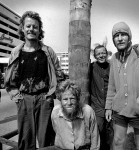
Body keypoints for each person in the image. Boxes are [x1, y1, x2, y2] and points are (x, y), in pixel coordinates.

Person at [4, 11, 65, 150]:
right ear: (23, 29)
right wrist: (16, 96)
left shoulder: (48, 52)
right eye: (28, 26)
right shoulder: (16, 52)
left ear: (39, 30)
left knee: (46, 139)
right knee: (25, 139)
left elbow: (59, 75)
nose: (31, 29)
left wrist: (51, 96)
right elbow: (9, 78)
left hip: (44, 100)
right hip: (24, 99)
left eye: (35, 27)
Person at [105, 21, 139, 150]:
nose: (119, 38)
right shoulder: (114, 58)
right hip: (120, 109)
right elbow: (112, 85)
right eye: (116, 35)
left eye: (123, 34)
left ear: (129, 36)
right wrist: (108, 106)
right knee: (118, 142)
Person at [51, 79, 100, 150]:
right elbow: (56, 130)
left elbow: (95, 138)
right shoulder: (55, 112)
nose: (69, 103)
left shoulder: (87, 111)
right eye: (65, 99)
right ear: (60, 100)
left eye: (72, 98)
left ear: (77, 99)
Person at [89, 44, 113, 150]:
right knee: (98, 133)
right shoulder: (91, 67)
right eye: (98, 54)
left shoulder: (112, 67)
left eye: (103, 53)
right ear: (95, 56)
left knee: (111, 134)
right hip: (97, 106)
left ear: (107, 54)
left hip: (112, 106)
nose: (101, 55)